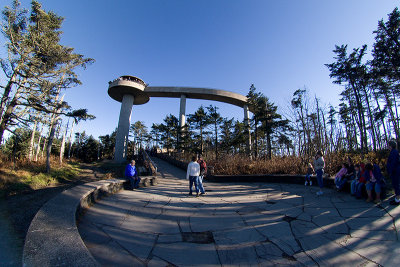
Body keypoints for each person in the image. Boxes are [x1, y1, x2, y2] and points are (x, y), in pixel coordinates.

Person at [387, 140, 400, 206]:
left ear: (391, 145)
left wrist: (391, 171)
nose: (388, 146)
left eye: (388, 145)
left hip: (395, 171)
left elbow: (393, 163)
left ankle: (397, 200)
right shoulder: (393, 152)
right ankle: (396, 198)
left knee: (396, 185)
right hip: (394, 171)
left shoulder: (394, 152)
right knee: (395, 185)